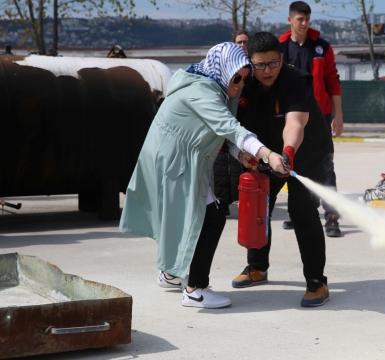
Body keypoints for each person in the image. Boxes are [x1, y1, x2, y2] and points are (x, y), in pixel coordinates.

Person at [119, 43, 286, 309]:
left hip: (179, 158)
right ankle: (196, 289)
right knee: (211, 217)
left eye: (245, 78)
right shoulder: (202, 91)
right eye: (237, 78)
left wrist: (239, 153)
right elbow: (228, 125)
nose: (241, 84)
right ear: (223, 71)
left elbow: (222, 133)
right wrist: (268, 154)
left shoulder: (216, 88)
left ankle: (171, 274)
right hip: (176, 161)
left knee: (183, 217)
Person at [231, 32, 334, 307]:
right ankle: (257, 267)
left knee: (301, 212)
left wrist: (288, 152)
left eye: (274, 63)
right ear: (250, 62)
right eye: (260, 65)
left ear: (281, 58)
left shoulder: (295, 80)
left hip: (307, 152)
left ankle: (316, 282)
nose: (268, 71)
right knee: (258, 204)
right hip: (266, 151)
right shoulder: (245, 81)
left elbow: (295, 124)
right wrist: (248, 153)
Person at [278, 1, 343, 238]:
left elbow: (332, 81)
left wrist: (339, 115)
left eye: (307, 19)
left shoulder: (322, 47)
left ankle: (332, 215)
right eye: (299, 19)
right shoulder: (280, 48)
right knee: (295, 163)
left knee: (326, 165)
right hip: (290, 116)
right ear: (290, 20)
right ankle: (302, 213)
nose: (304, 23)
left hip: (320, 117)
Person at [211, 30, 251, 216]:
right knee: (219, 166)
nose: (243, 46)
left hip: (241, 127)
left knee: (238, 167)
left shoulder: (250, 73)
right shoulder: (222, 76)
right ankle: (222, 201)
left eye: (245, 42)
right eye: (239, 42)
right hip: (225, 129)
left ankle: (238, 197)